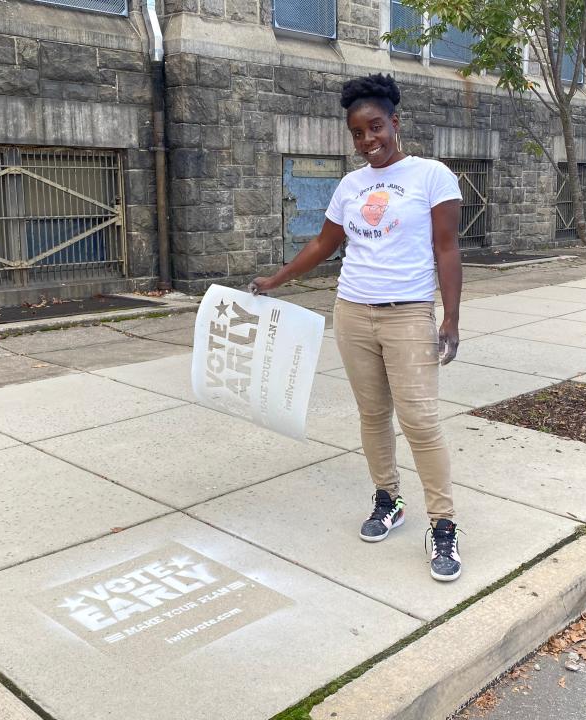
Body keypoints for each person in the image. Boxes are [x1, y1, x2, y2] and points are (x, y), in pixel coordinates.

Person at [249, 73, 465, 582]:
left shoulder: (432, 175)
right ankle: (388, 498)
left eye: (375, 128)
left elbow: (447, 249)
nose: (368, 141)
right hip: (352, 311)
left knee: (420, 422)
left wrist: (451, 316)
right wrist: (278, 278)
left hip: (409, 312)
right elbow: (325, 244)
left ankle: (444, 525)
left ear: (395, 122)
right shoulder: (350, 184)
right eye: (357, 134)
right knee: (373, 415)